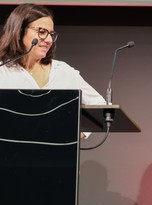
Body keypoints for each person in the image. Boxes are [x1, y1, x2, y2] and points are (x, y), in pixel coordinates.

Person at [0, 3, 106, 138]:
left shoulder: (64, 72)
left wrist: (80, 133)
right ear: (19, 31)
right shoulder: (3, 71)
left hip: (59, 156)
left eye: (51, 34)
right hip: (10, 156)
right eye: (42, 32)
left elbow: (101, 108)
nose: (49, 40)